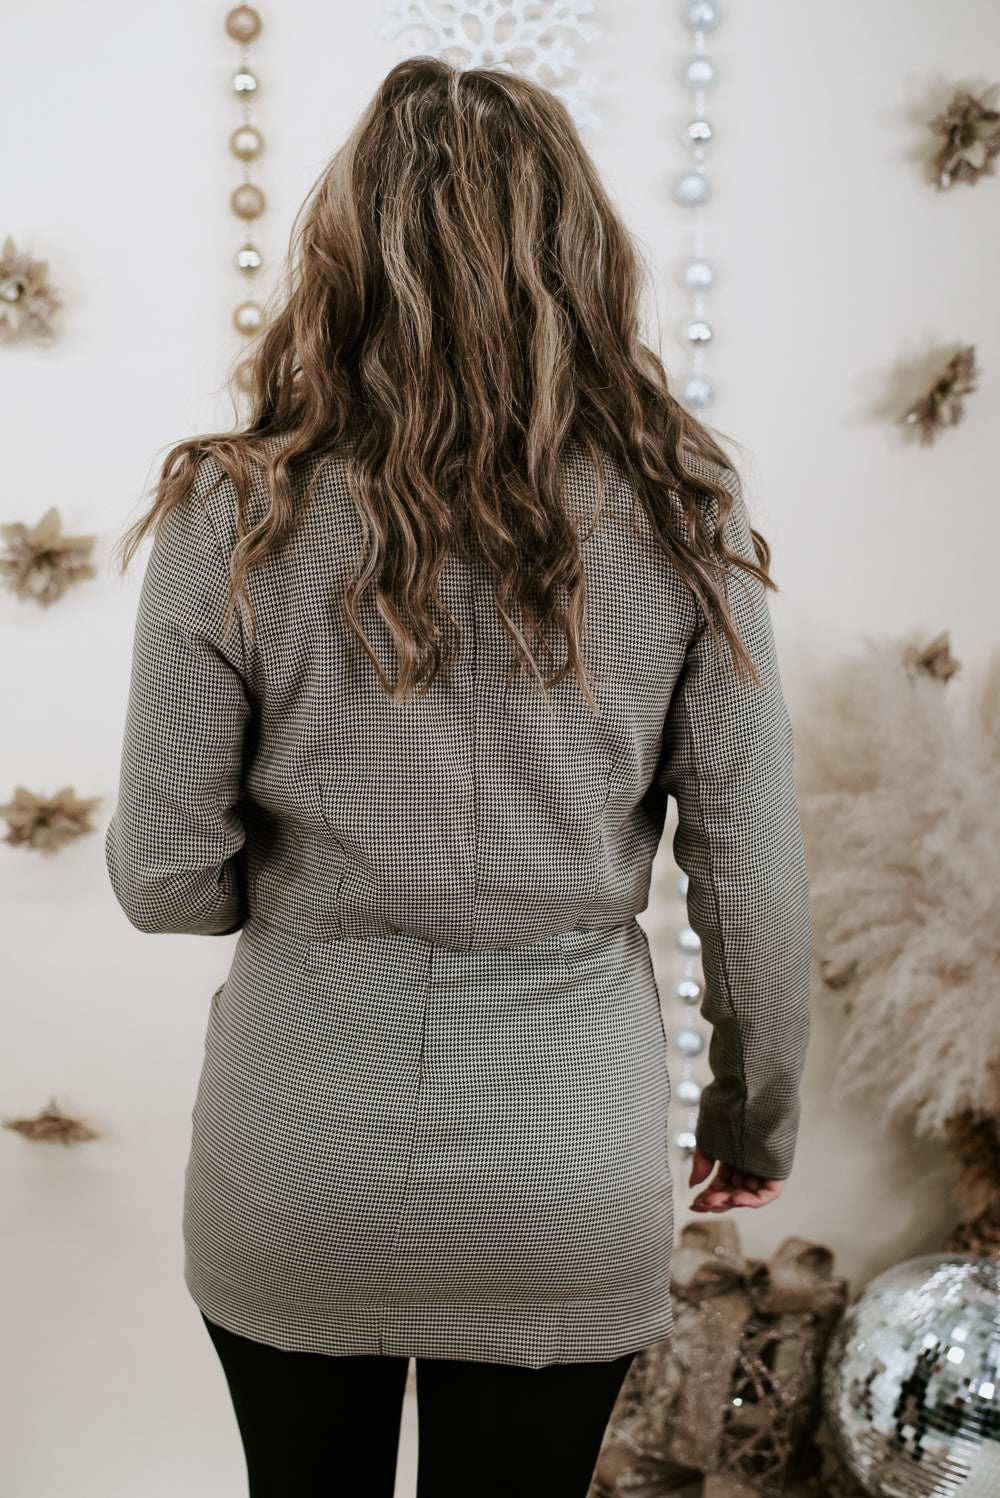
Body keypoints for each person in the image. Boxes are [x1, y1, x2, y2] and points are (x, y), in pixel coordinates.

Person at [105, 54, 812, 1498]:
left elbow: (166, 881)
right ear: (583, 257)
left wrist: (308, 882)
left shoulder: (234, 507)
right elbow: (752, 873)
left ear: (345, 253)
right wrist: (754, 1115)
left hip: (299, 1148)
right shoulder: (685, 507)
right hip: (568, 1155)